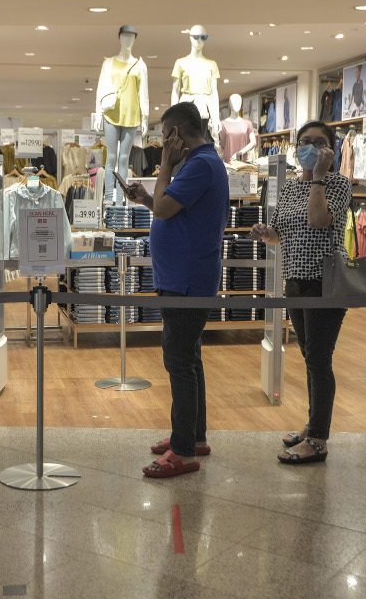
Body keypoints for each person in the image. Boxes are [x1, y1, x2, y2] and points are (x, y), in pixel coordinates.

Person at [124, 102, 229, 478]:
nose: (162, 143)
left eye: (164, 135)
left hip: (187, 278)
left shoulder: (200, 164)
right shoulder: (202, 163)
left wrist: (164, 167)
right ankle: (192, 435)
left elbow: (166, 212)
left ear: (175, 135)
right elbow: (170, 208)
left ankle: (184, 450)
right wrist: (148, 199)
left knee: (179, 361)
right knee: (189, 357)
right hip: (184, 276)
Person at [250, 120, 352, 464]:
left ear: (332, 150)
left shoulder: (338, 184)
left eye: (319, 143)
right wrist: (266, 232)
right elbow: (282, 233)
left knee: (320, 360)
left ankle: (319, 439)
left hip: (326, 282)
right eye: (304, 142)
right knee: (310, 356)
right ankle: (314, 424)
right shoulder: (291, 188)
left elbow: (317, 221)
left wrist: (319, 178)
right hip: (294, 279)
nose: (310, 147)